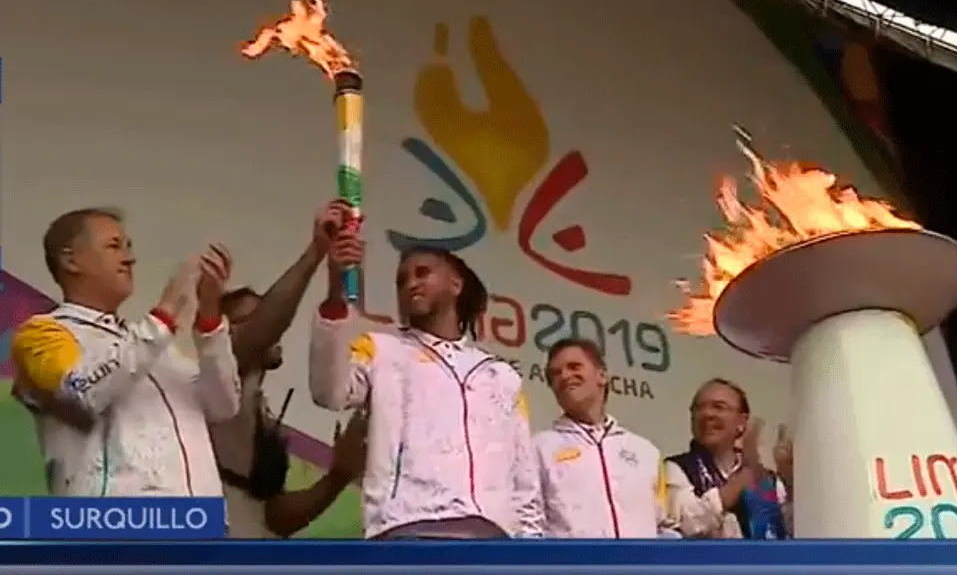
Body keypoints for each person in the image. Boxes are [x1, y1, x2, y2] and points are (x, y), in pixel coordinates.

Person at [309, 245, 544, 539]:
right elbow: (329, 392)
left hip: (491, 538)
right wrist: (336, 291)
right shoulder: (380, 349)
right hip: (406, 528)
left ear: (455, 285)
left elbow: (524, 477)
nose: (411, 284)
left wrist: (530, 546)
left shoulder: (500, 375)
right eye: (402, 281)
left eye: (422, 274)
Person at [10, 207, 241, 496]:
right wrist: (166, 312)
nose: (130, 258)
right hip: (115, 520)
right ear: (70, 260)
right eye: (114, 246)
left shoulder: (155, 346)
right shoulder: (42, 333)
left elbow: (223, 406)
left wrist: (209, 316)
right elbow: (82, 392)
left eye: (129, 246)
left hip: (198, 519)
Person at [208, 200, 368, 537]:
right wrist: (316, 251)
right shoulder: (217, 387)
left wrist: (339, 476)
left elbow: (275, 517)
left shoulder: (256, 407)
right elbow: (263, 330)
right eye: (252, 319)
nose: (271, 329)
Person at [531, 338, 677, 538]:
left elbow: (663, 525)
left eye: (574, 367)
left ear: (602, 376)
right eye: (555, 374)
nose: (564, 375)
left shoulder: (646, 452)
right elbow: (529, 526)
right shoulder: (539, 449)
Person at [665, 378, 794, 538]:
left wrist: (789, 478)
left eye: (719, 407)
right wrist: (738, 483)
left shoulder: (767, 480)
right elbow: (688, 525)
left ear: (742, 421)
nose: (707, 414)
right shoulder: (675, 469)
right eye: (699, 408)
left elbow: (791, 531)